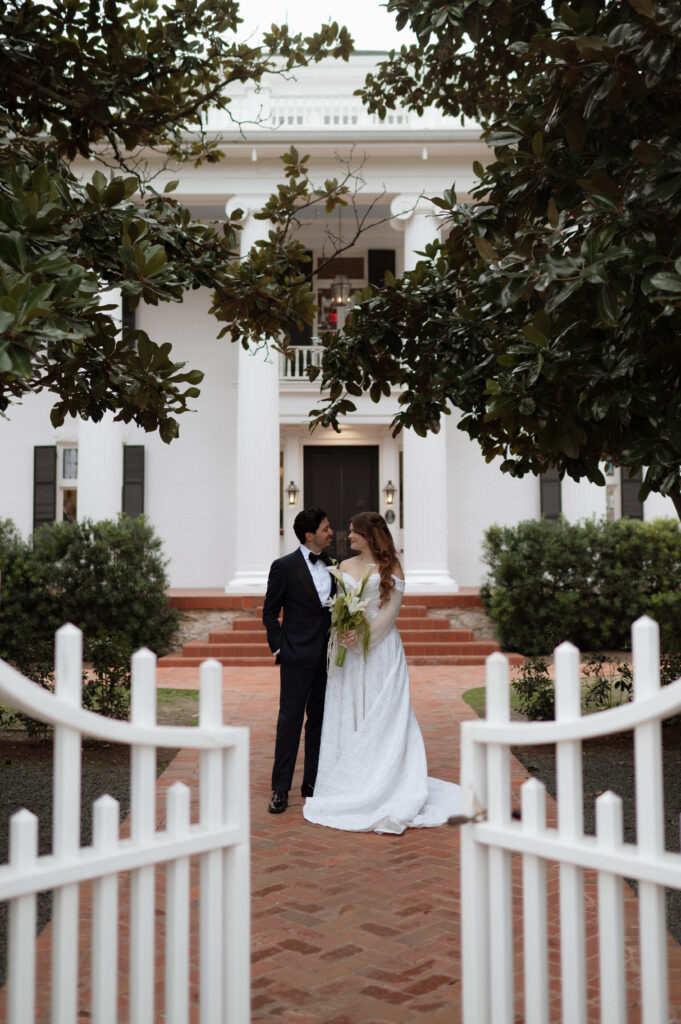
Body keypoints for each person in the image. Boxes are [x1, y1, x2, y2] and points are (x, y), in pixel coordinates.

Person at [303, 511, 462, 834]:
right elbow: (340, 605)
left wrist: (361, 638)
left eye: (353, 531)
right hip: (349, 654)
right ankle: (351, 778)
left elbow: (390, 614)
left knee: (384, 713)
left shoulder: (393, 569)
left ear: (368, 534)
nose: (348, 536)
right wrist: (343, 630)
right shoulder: (344, 567)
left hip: (381, 652)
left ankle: (387, 779)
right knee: (350, 711)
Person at [262, 507, 335, 814]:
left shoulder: (333, 565)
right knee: (290, 721)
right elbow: (269, 612)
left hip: (327, 658)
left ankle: (312, 782)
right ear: (310, 535)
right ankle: (280, 788)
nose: (331, 532)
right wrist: (280, 648)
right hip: (295, 655)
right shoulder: (284, 566)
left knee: (319, 721)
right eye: (326, 528)